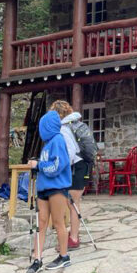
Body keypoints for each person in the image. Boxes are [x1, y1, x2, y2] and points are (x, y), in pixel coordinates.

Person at [27, 110, 72, 273]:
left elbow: (57, 166)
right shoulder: (46, 144)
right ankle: (37, 259)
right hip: (43, 189)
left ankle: (64, 255)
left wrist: (38, 165)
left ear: (47, 126)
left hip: (57, 188)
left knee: (58, 222)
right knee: (42, 223)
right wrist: (38, 164)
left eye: (42, 127)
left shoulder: (58, 140)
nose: (41, 130)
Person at [50, 100, 90, 250]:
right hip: (82, 166)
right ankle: (74, 235)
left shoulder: (64, 129)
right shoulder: (73, 125)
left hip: (76, 167)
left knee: (72, 203)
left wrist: (58, 166)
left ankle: (73, 238)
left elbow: (70, 153)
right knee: (73, 203)